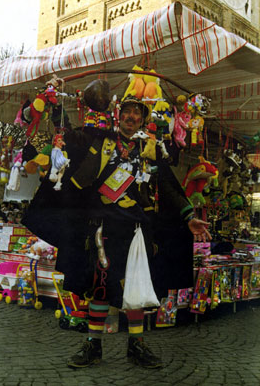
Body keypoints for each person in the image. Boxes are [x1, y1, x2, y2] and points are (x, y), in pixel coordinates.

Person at [22, 89, 211, 370]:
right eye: (128, 112)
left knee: (136, 289)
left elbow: (169, 186)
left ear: (143, 119)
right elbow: (70, 138)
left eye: (138, 113)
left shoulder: (151, 148)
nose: (132, 117)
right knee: (99, 288)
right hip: (103, 230)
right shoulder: (99, 141)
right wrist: (53, 106)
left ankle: (136, 345)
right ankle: (93, 345)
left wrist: (187, 216)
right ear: (119, 116)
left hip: (138, 231)